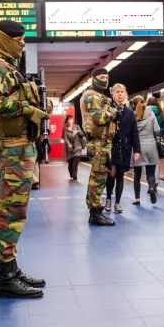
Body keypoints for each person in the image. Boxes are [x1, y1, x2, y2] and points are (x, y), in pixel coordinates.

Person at [0, 20, 49, 298]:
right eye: (19, 39)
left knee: (16, 210)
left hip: (20, 147)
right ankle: (6, 278)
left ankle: (12, 269)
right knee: (10, 211)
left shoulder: (11, 69)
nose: (23, 43)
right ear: (5, 39)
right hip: (12, 149)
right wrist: (27, 109)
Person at [80, 68, 117, 226]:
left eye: (107, 77)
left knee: (97, 177)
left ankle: (94, 211)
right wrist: (114, 112)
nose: (105, 80)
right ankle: (96, 213)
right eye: (102, 77)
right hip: (99, 143)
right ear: (94, 78)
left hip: (101, 142)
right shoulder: (93, 96)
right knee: (98, 177)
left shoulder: (98, 96)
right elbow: (99, 118)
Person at [105, 83, 140, 213]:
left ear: (125, 94)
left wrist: (137, 150)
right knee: (111, 173)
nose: (120, 94)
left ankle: (117, 203)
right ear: (113, 95)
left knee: (120, 176)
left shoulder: (130, 113)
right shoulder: (107, 110)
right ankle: (108, 199)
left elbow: (134, 132)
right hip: (110, 148)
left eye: (122, 91)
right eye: (117, 91)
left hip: (124, 148)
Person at [130, 95, 160, 205]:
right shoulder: (151, 114)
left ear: (133, 105)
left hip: (137, 147)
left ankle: (137, 199)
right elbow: (157, 129)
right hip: (151, 146)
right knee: (150, 174)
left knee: (137, 175)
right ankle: (152, 188)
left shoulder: (133, 116)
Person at [146, 96, 164, 185]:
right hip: (157, 140)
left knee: (147, 162)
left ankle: (150, 182)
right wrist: (159, 132)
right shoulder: (162, 114)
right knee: (155, 162)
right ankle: (155, 182)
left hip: (146, 140)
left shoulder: (144, 113)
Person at [63, 115, 85, 180]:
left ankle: (75, 176)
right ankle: (72, 174)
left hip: (78, 147)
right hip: (70, 149)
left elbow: (82, 134)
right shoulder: (65, 129)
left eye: (71, 119)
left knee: (75, 163)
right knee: (70, 165)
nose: (71, 120)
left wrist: (77, 132)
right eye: (69, 119)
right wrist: (69, 144)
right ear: (67, 121)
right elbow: (65, 138)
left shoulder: (76, 127)